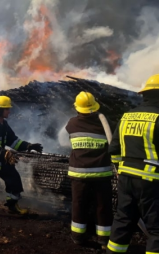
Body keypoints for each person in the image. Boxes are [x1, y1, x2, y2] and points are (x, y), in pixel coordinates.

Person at [107, 74, 159, 253]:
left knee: (123, 221)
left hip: (126, 178)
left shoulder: (127, 116)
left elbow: (113, 149)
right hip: (151, 181)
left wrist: (118, 170)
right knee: (156, 229)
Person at [65, 91, 113, 247]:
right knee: (103, 206)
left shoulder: (71, 124)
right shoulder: (103, 122)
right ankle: (104, 239)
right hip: (102, 173)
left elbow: (66, 135)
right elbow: (112, 142)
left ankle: (78, 237)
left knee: (79, 204)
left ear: (78, 108)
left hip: (79, 174)